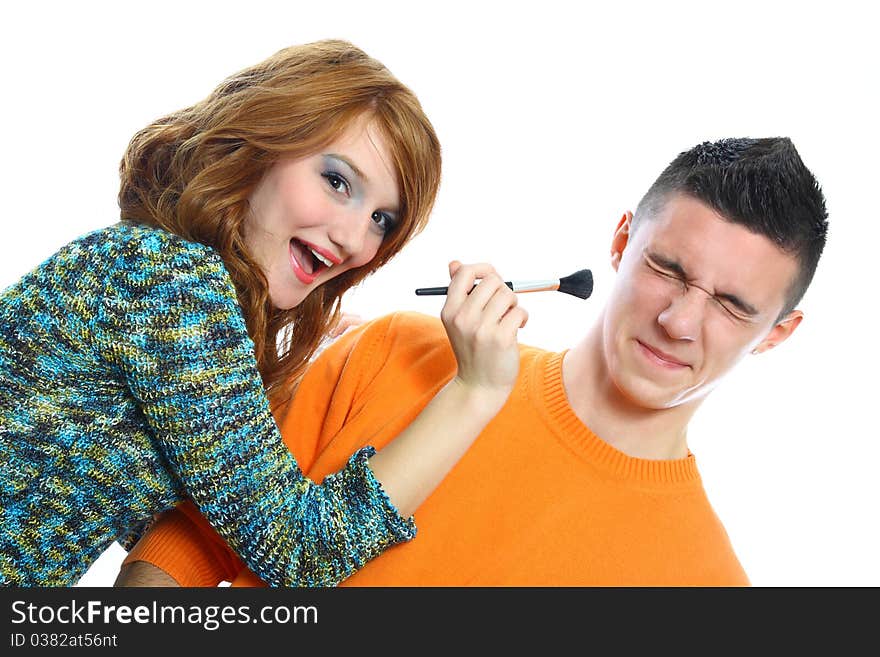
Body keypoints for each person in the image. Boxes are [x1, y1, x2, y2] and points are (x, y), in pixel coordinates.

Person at [119, 135, 828, 587]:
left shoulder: (707, 584)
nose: (679, 321)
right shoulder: (395, 350)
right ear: (620, 242)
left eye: (732, 305)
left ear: (777, 332)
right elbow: (190, 543)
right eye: (667, 268)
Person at [0, 40, 531, 587]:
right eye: (337, 181)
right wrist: (476, 390)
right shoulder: (171, 282)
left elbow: (123, 504)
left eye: (382, 219)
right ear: (262, 141)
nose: (352, 237)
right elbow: (296, 551)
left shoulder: (152, 269)